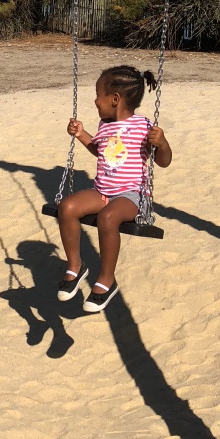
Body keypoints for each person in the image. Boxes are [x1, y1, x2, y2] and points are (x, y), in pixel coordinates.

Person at [56, 65, 172, 312]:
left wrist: (162, 144)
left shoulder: (143, 127)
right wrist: (81, 134)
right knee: (66, 207)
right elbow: (102, 152)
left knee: (107, 218)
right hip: (102, 191)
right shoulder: (105, 124)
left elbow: (163, 162)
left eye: (98, 95)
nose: (95, 100)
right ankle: (75, 267)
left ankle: (106, 280)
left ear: (115, 99)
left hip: (131, 195)